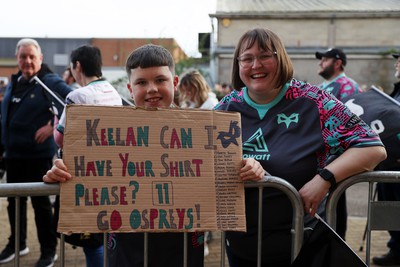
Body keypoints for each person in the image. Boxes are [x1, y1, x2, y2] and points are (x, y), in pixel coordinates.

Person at [213, 28, 386, 266]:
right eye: (247, 58)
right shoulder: (225, 107)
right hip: (242, 247)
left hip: (303, 245)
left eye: (265, 56)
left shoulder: (315, 102)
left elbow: (372, 147)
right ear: (238, 64)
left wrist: (324, 179)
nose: (256, 65)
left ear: (280, 58)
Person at [43, 44, 223, 267]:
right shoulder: (107, 133)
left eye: (160, 80)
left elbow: (222, 174)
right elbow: (84, 174)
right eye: (141, 82)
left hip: (182, 249)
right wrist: (60, 173)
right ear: (130, 88)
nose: (151, 89)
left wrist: (246, 166)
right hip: (125, 250)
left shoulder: (201, 133)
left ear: (174, 83)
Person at [0, 38, 72, 267]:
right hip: (13, 156)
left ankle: (49, 251)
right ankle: (18, 244)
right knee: (14, 204)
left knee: (41, 208)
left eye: (32, 56)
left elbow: (73, 103)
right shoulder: (16, 82)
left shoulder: (48, 81)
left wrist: (53, 125)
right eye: (23, 56)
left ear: (41, 59)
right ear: (17, 59)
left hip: (39, 157)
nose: (27, 61)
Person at [53, 44, 123, 267]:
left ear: (77, 66)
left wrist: (56, 121)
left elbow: (61, 138)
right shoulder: (114, 93)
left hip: (84, 173)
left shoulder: (77, 95)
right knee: (104, 234)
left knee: (92, 239)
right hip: (110, 171)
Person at [315, 47, 363, 239]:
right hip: (321, 153)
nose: (320, 63)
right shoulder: (320, 86)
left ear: (338, 63)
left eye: (325, 60)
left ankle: (337, 240)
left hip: (338, 154)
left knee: (336, 197)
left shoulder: (348, 85)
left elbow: (351, 121)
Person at [177, 69, 218, 256]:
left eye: (188, 90)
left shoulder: (211, 105)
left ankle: (203, 242)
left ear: (195, 87)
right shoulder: (197, 104)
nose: (186, 94)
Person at [372, 53, 400, 266]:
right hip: (390, 162)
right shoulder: (397, 88)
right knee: (389, 209)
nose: (397, 63)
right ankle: (395, 248)